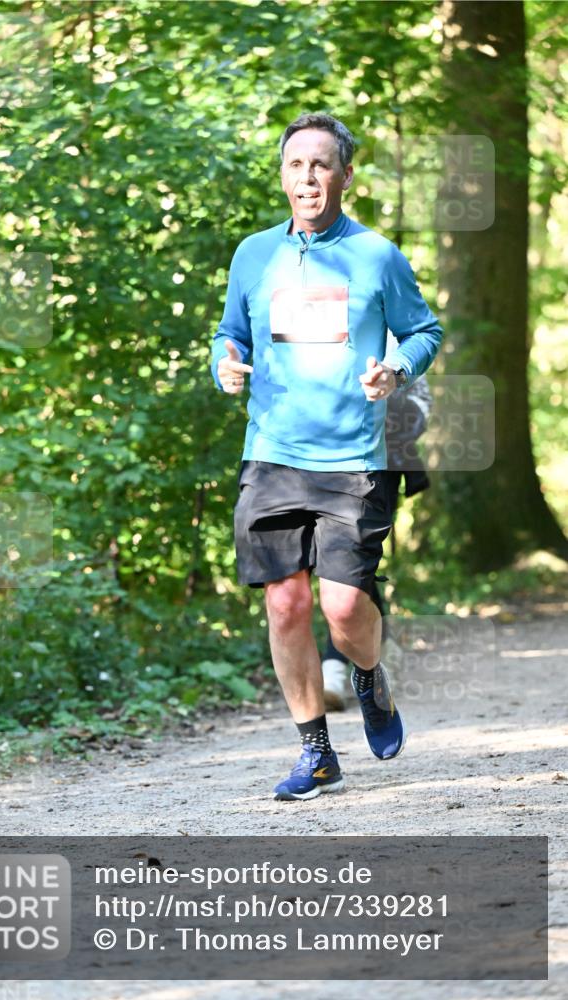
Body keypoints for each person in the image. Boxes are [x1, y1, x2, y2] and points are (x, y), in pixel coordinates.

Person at [210, 112, 443, 801]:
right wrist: (223, 364)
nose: (306, 177)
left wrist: (395, 370)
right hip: (272, 454)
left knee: (343, 611)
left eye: (320, 165)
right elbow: (230, 335)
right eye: (294, 164)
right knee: (284, 603)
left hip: (355, 455)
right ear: (281, 175)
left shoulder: (376, 256)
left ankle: (368, 676)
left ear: (344, 174)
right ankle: (315, 753)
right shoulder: (254, 254)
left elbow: (423, 330)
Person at [322, 365, 433, 709]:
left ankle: (335, 670)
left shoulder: (395, 338)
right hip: (317, 465)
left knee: (353, 567)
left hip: (380, 468)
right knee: (341, 569)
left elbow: (421, 405)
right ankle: (378, 657)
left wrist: (384, 407)